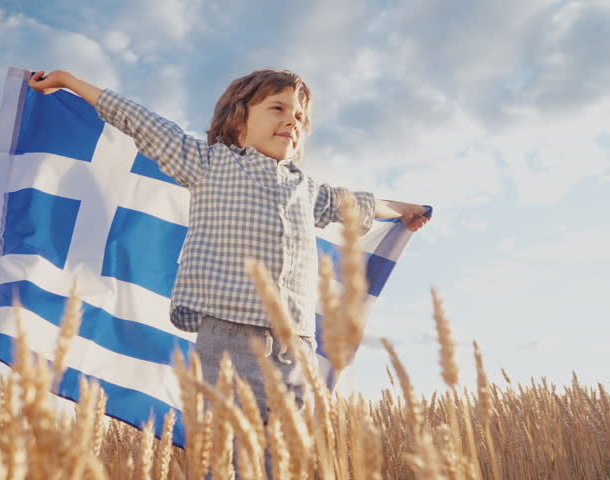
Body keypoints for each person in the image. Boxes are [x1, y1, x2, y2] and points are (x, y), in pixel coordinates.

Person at [28, 68, 428, 420]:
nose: (292, 120)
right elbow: (141, 122)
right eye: (278, 108)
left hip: (297, 350)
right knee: (229, 456)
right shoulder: (210, 164)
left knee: (285, 462)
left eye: (300, 116)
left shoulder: (307, 191)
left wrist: (404, 209)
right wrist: (70, 81)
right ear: (238, 122)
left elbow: (358, 206)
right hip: (232, 338)